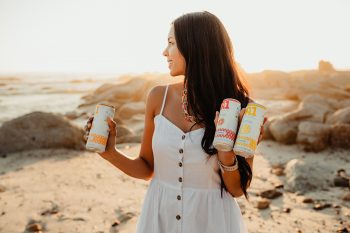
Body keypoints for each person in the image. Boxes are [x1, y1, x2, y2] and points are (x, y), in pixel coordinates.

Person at [84, 11, 266, 233]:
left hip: (212, 222)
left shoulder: (242, 109)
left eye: (171, 43)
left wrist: (225, 151)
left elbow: (237, 190)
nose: (164, 52)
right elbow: (147, 168)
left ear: (195, 46)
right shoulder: (157, 97)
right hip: (159, 218)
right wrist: (109, 152)